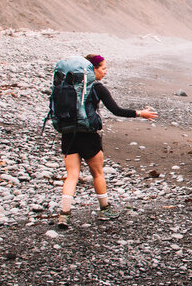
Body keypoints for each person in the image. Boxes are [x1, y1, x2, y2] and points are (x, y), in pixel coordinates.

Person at [56, 54, 157, 228]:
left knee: (72, 175)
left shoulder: (66, 87)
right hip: (89, 135)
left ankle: (64, 215)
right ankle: (105, 209)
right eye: (103, 68)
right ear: (92, 70)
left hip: (67, 134)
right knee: (98, 173)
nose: (105, 72)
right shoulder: (97, 88)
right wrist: (141, 113)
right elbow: (116, 110)